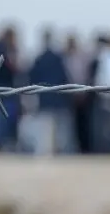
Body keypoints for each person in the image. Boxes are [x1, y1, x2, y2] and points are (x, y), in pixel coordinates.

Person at [28, 26, 75, 155]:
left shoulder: (39, 58)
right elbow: (65, 77)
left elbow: (31, 78)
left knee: (44, 129)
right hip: (59, 97)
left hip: (44, 97)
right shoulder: (58, 58)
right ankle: (64, 152)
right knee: (62, 130)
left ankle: (44, 152)